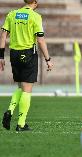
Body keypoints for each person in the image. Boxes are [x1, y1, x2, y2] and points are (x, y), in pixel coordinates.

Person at [0, 0, 54, 131]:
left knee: (20, 87)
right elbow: (40, 40)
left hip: (14, 54)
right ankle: (21, 124)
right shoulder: (35, 16)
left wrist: (1, 56)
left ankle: (10, 110)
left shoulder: (12, 14)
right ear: (35, 2)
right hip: (28, 54)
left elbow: (3, 35)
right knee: (27, 90)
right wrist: (48, 59)